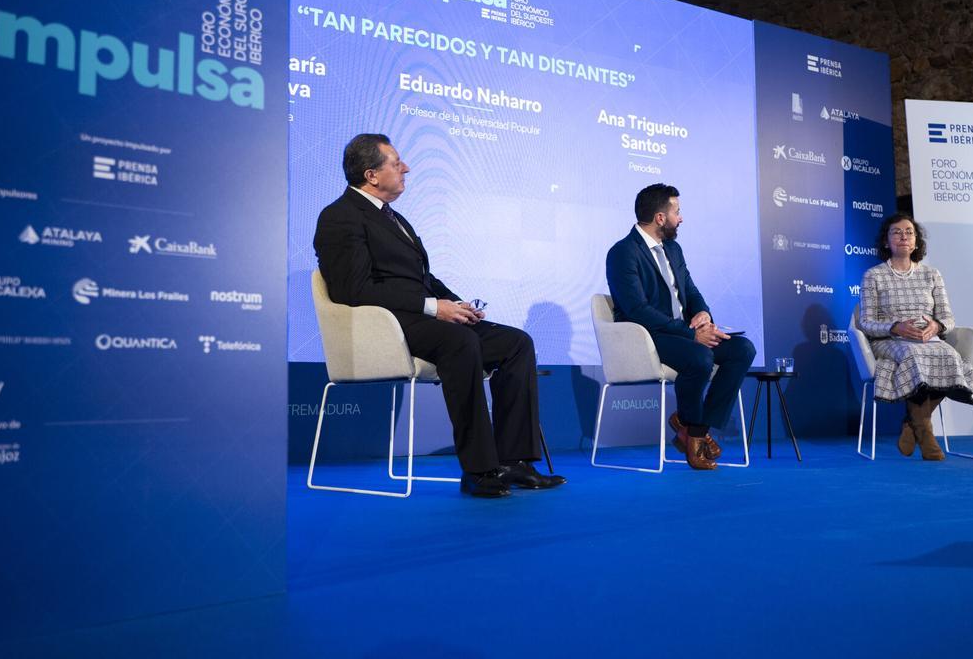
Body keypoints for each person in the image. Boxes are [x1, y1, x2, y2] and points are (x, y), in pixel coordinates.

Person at [313, 134, 564, 497]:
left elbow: (424, 279)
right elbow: (354, 290)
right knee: (459, 342)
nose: (406, 168)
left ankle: (513, 461)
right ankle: (479, 469)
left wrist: (457, 305)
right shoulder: (340, 216)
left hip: (420, 318)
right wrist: (433, 307)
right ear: (371, 175)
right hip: (386, 326)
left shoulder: (393, 217)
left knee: (515, 343)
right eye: (396, 163)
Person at [604, 184, 757, 470]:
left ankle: (693, 430)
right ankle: (694, 438)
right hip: (649, 337)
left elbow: (690, 289)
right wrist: (691, 334)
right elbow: (637, 310)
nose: (681, 218)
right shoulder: (623, 252)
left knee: (742, 349)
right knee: (700, 357)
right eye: (677, 211)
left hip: (684, 333)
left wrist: (702, 313)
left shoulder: (673, 249)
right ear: (660, 217)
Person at [857, 212, 973, 461]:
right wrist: (896, 327)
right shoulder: (873, 275)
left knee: (950, 356)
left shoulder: (931, 274)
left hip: (928, 339)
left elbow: (947, 317)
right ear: (886, 241)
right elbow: (867, 323)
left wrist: (936, 326)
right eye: (897, 232)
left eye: (909, 232)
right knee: (914, 354)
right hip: (890, 341)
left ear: (916, 241)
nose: (904, 236)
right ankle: (926, 434)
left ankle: (912, 424)